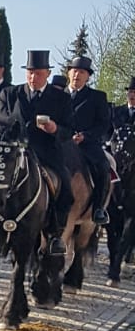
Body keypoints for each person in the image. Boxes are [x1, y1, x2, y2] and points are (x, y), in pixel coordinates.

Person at [0, 48, 72, 256]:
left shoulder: (61, 99)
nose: (33, 77)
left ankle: (55, 233)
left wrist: (55, 129)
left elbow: (69, 130)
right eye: (30, 73)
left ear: (47, 74)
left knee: (65, 186)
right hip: (13, 150)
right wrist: (16, 126)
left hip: (46, 151)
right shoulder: (9, 94)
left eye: (37, 73)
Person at [65, 56, 110, 225]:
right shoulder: (56, 95)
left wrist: (85, 136)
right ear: (69, 73)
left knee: (103, 167)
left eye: (82, 72)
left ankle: (98, 208)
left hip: (87, 145)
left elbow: (103, 124)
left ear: (88, 77)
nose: (77, 75)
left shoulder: (97, 97)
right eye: (74, 71)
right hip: (61, 143)